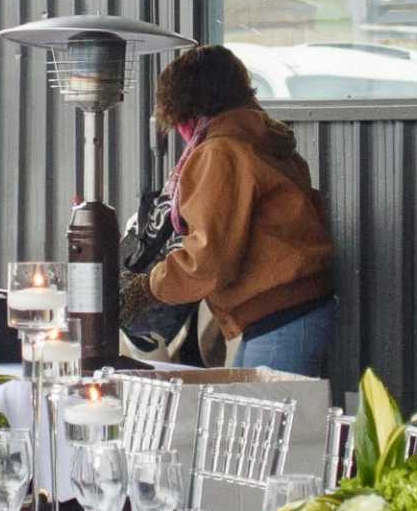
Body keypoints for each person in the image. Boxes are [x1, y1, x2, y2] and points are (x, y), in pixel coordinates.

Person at [131, 43, 337, 375]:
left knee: (264, 423)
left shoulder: (220, 152)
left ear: (184, 105)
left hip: (276, 313)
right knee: (248, 417)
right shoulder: (261, 139)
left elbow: (210, 260)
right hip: (289, 311)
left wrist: (147, 287)